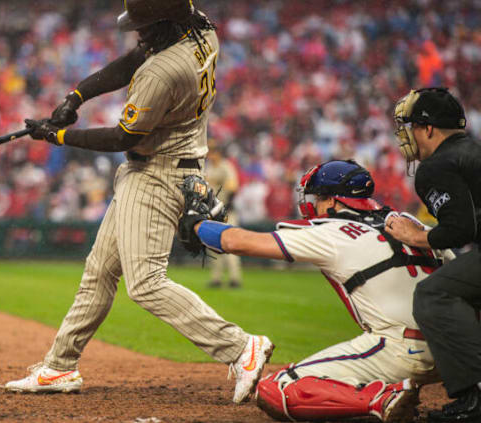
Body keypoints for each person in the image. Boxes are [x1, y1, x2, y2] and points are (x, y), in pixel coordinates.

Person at [5, 0, 274, 403]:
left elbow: (122, 138)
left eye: (146, 26)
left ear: (166, 22)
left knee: (146, 284)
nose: (139, 33)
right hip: (161, 167)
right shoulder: (200, 30)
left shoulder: (164, 71)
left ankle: (239, 348)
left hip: (157, 173)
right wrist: (76, 98)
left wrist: (56, 136)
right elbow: (133, 57)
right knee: (99, 272)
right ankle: (59, 366)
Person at [178, 160, 455, 423]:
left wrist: (197, 225)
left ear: (333, 200)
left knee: (277, 388)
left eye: (318, 198)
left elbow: (240, 242)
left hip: (400, 349)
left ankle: (381, 399)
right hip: (456, 348)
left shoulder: (331, 230)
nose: (313, 205)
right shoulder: (411, 223)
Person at [387, 87, 481, 422]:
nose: (407, 136)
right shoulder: (472, 150)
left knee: (435, 293)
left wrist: (419, 236)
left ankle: (475, 398)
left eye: (410, 126)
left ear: (427, 128)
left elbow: (460, 229)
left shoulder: (437, 165)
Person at [204, 149, 242, 288]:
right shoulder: (208, 167)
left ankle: (234, 278)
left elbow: (233, 187)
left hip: (226, 211)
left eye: (213, 151)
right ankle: (216, 278)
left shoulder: (226, 167)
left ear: (218, 153)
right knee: (212, 245)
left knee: (231, 245)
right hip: (212, 211)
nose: (211, 154)